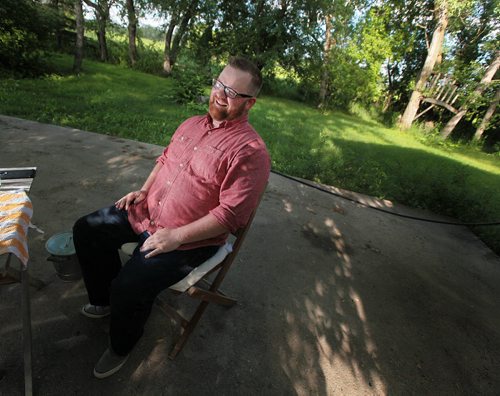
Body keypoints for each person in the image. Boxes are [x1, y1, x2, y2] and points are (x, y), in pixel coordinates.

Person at [73, 56, 270, 379]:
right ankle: (103, 300)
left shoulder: (250, 151)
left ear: (251, 104)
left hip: (188, 239)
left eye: (233, 92)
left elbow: (230, 215)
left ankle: (122, 344)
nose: (221, 94)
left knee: (129, 285)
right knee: (87, 230)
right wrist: (142, 190)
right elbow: (165, 161)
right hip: (147, 211)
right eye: (219, 84)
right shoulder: (191, 124)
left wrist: (177, 236)